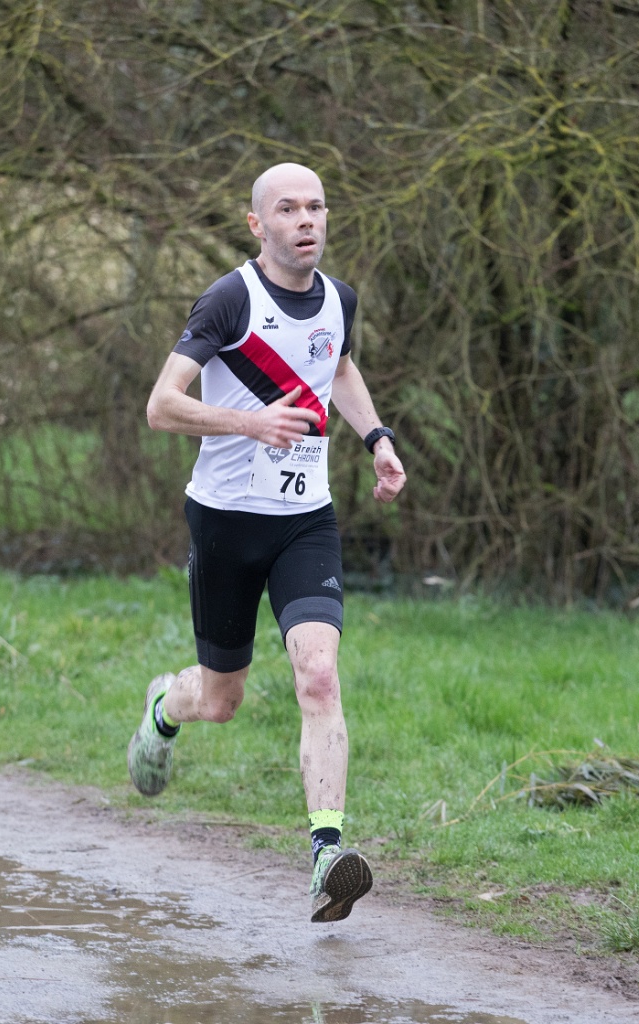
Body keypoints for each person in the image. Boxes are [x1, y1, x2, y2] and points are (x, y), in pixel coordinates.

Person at [128, 162, 406, 923]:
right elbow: (161, 406)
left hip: (305, 522)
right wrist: (251, 422)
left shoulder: (340, 299)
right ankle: (165, 707)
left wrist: (377, 438)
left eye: (315, 206)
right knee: (222, 701)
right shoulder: (230, 300)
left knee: (318, 675)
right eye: (287, 209)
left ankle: (327, 854)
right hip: (224, 521)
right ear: (258, 224)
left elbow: (337, 366)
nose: (305, 220)